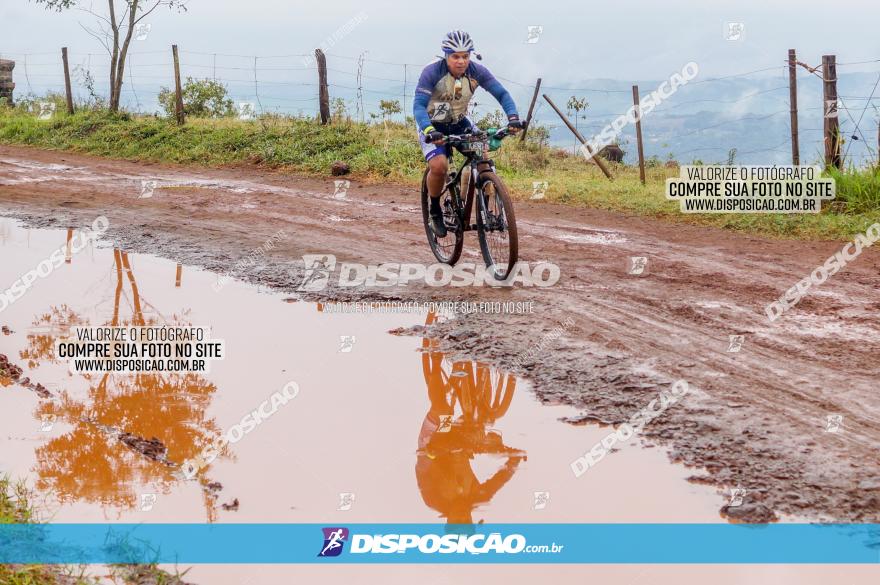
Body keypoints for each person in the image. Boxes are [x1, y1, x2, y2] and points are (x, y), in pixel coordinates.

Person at [413, 30, 523, 237]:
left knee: (483, 158)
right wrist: (429, 130)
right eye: (456, 56)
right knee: (439, 166)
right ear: (446, 56)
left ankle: (486, 210)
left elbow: (501, 93)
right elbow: (418, 106)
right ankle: (435, 210)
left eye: (465, 56)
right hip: (432, 125)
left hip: (459, 122)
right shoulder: (432, 72)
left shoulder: (476, 71)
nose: (461, 61)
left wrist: (513, 118)